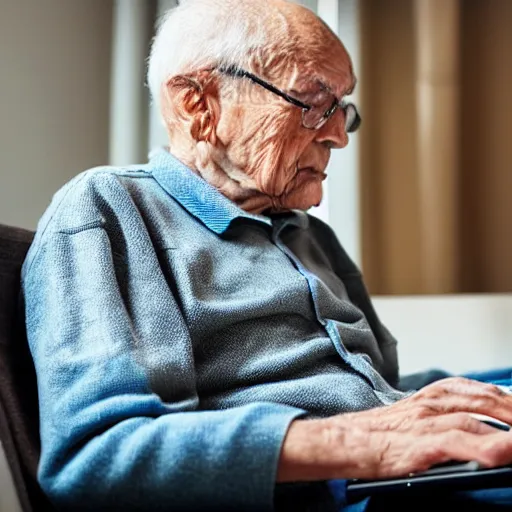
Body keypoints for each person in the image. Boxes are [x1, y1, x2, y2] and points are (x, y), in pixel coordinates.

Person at [21, 0, 512, 510]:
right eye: (312, 103)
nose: (338, 135)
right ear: (198, 105)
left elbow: (380, 396)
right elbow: (98, 456)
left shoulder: (306, 234)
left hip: (400, 480)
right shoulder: (110, 208)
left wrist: (482, 395)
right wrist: (360, 441)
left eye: (342, 108)